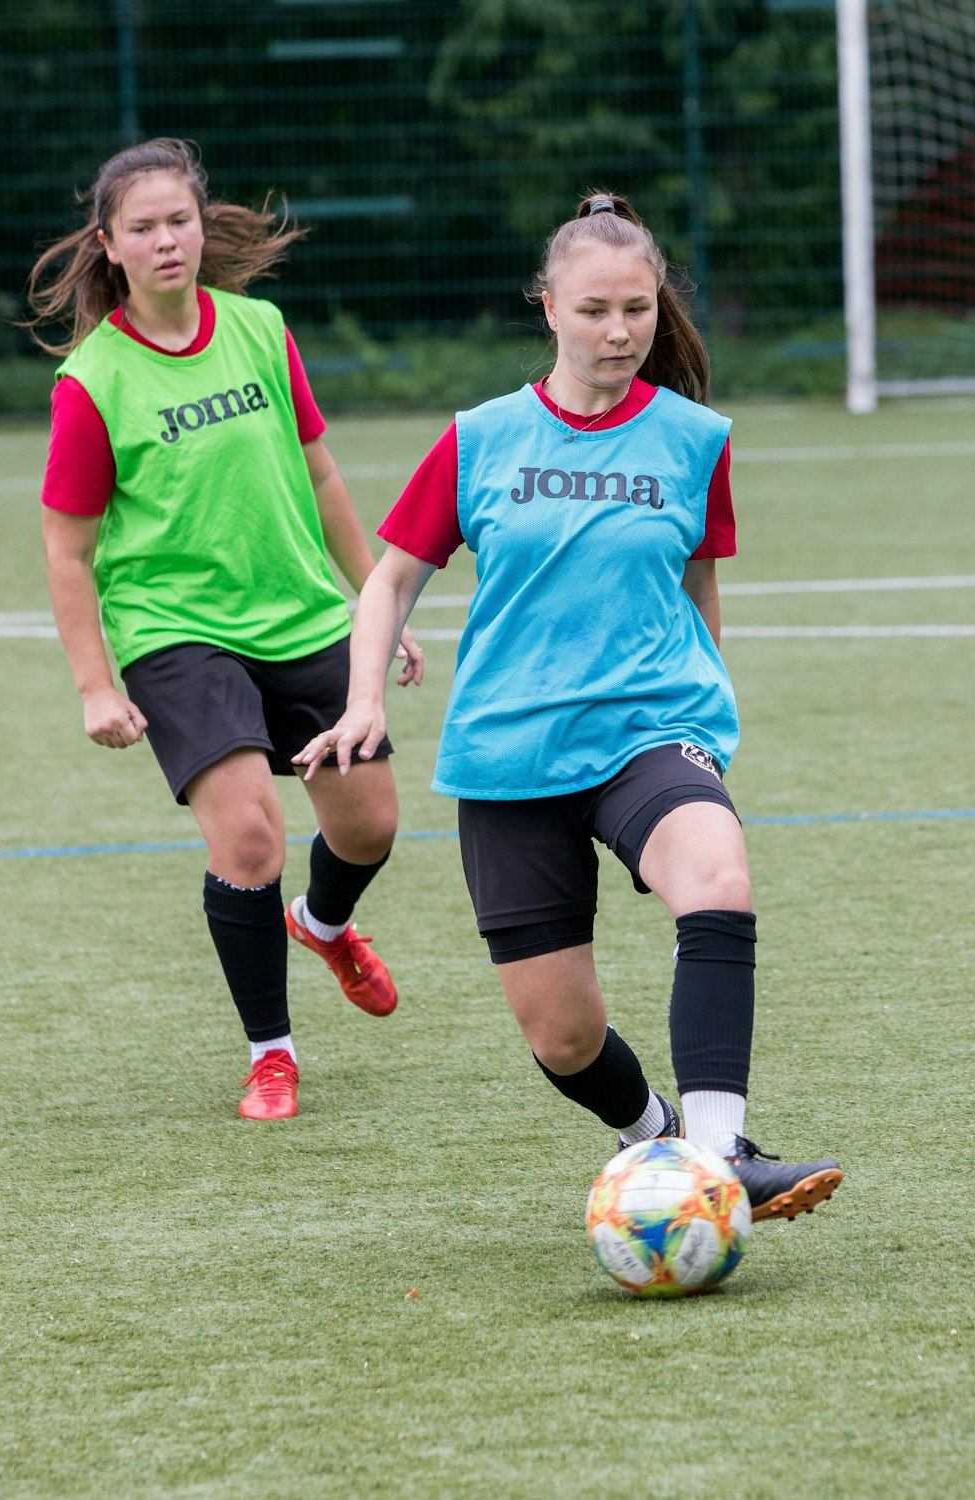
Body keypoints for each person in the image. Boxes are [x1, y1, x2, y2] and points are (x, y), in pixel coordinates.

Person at [296, 192, 842, 1222]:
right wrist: (364, 699)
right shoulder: (479, 438)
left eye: (636, 308)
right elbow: (390, 579)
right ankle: (659, 1142)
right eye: (594, 309)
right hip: (508, 752)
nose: (619, 331)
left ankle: (718, 1164)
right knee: (564, 1039)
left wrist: (706, 725)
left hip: (649, 729)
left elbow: (698, 582)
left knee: (718, 877)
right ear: (547, 307)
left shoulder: (693, 438)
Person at [30, 138, 423, 1122]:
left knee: (369, 823)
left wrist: (375, 597)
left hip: (299, 611)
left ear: (203, 227)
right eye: (143, 228)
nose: (167, 241)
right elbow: (67, 552)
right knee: (250, 835)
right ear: (109, 246)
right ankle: (272, 1055)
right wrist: (94, 683)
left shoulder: (259, 328)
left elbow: (323, 473)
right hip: (174, 631)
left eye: (180, 221)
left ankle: (323, 923)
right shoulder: (92, 381)